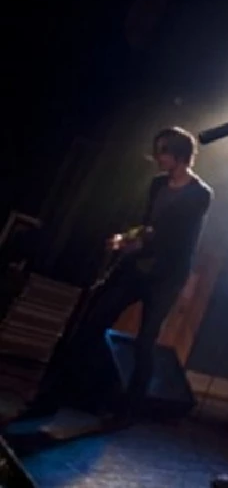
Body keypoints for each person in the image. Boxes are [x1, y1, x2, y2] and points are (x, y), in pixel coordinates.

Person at [54, 127, 213, 422]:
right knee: (95, 321)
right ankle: (84, 391)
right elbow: (148, 223)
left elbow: (174, 235)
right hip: (137, 267)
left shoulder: (200, 194)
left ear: (179, 155)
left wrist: (141, 242)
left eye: (162, 151)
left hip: (166, 275)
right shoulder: (157, 185)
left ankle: (129, 408)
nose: (157, 157)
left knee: (145, 340)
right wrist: (125, 237)